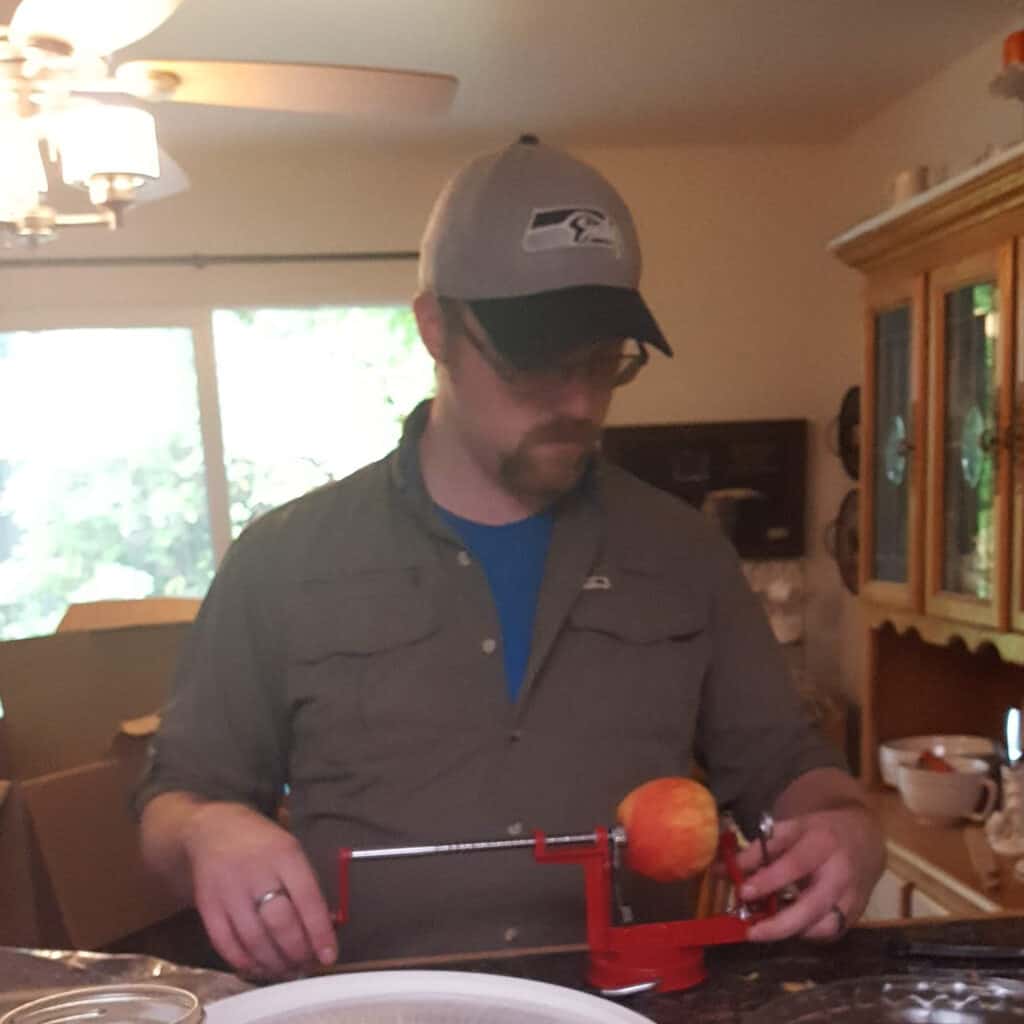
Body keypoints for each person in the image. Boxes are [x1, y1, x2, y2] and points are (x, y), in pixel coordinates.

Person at [137, 134, 885, 980]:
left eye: (605, 363)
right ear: (436, 328)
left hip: (632, 1001)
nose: (580, 401)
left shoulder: (687, 554)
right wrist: (206, 832)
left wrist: (847, 826)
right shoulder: (281, 560)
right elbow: (174, 802)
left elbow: (791, 768)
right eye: (535, 365)